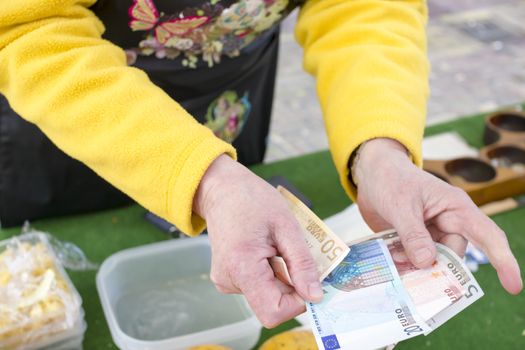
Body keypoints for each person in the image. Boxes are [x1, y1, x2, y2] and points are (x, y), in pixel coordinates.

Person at [0, 0, 521, 328]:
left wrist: (379, 149)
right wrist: (202, 176)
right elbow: (28, 26)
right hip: (70, 113)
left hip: (228, 103)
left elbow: (366, 7)